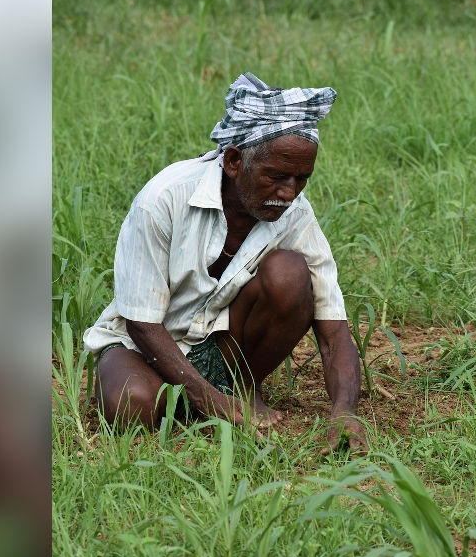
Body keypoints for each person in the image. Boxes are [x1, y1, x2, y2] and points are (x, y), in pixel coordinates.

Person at [83, 72, 367, 454]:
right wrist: (209, 400)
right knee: (130, 404)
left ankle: (240, 389)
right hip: (144, 346)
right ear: (234, 161)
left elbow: (334, 335)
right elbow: (141, 323)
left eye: (302, 179)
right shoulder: (165, 198)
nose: (288, 192)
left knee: (290, 274)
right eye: (276, 176)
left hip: (223, 350)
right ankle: (211, 403)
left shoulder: (295, 213)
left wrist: (345, 412)